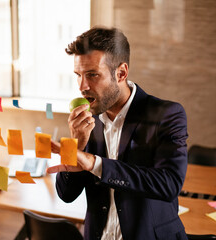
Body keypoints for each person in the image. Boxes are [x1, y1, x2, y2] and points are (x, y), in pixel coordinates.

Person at [47, 27, 188, 240]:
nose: (82, 86)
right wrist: (75, 145)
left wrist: (95, 163)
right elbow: (66, 194)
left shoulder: (166, 114)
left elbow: (168, 185)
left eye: (93, 75)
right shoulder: (85, 120)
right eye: (78, 75)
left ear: (121, 73)